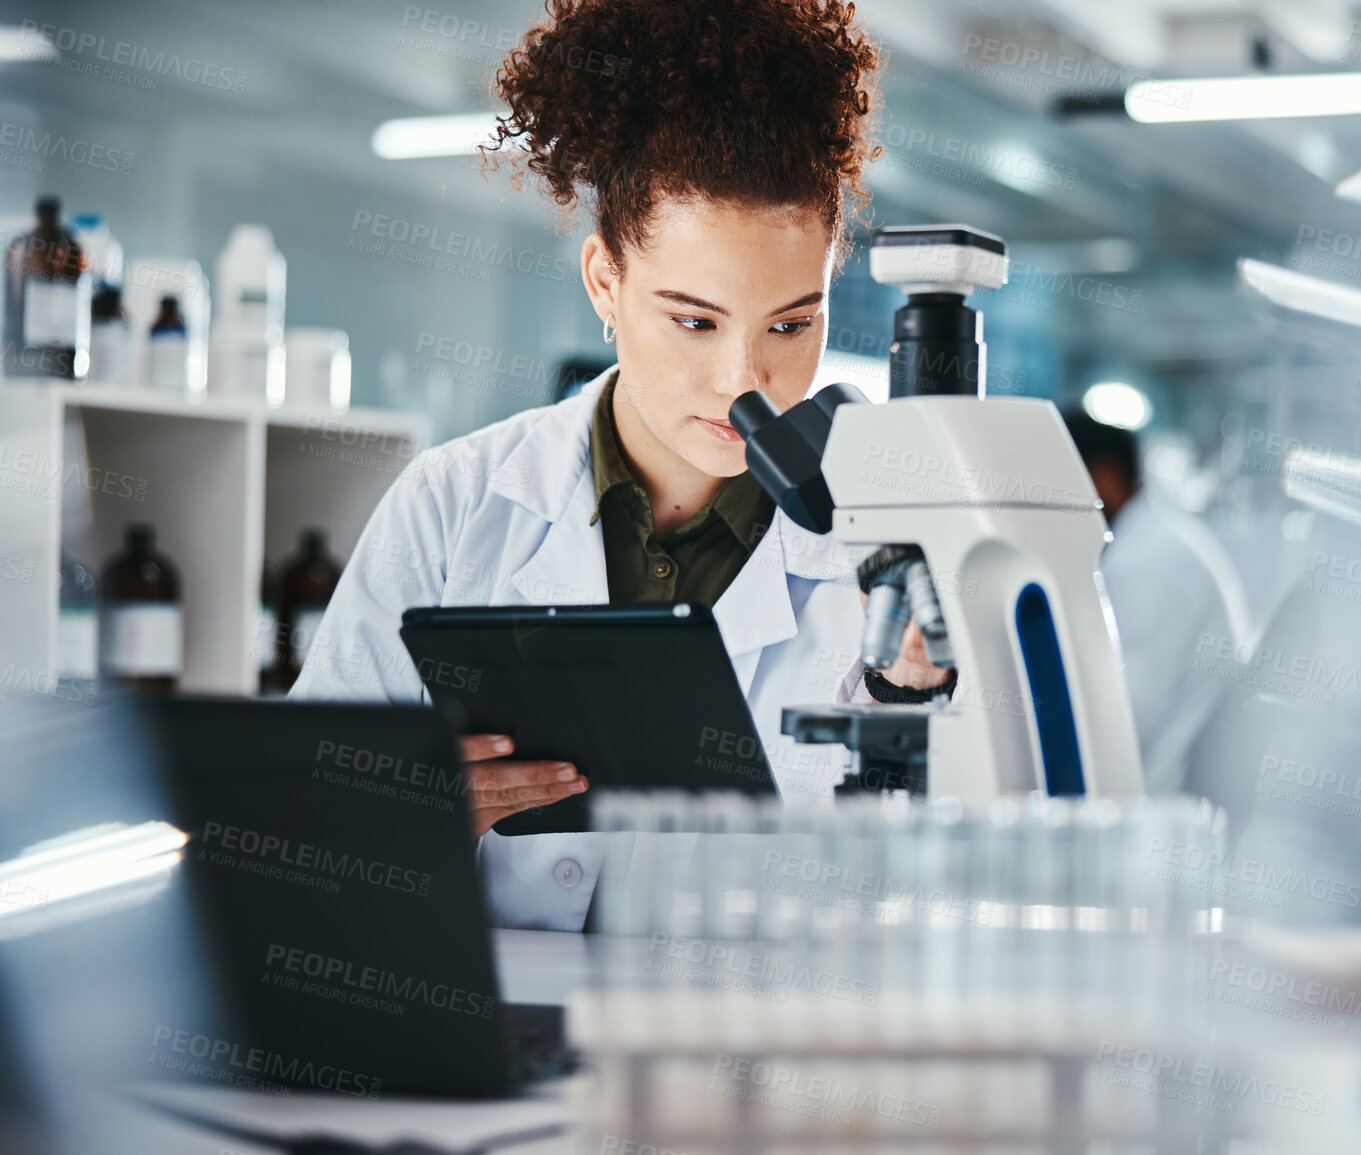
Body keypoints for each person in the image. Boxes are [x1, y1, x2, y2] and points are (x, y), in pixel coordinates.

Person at [290, 0, 950, 930]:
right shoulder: (454, 507)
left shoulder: (895, 540)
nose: (743, 381)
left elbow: (980, 876)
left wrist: (912, 695)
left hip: (756, 1063)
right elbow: (297, 833)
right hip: (489, 1047)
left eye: (792, 324)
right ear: (605, 280)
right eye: (693, 319)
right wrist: (400, 815)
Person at [1064, 412, 1250, 792]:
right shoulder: (1143, 546)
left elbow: (1126, 718)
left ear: (1105, 479)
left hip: (1160, 810)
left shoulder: (1154, 563)